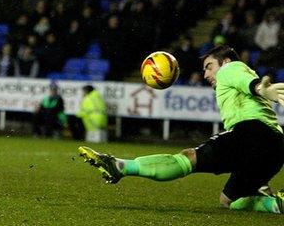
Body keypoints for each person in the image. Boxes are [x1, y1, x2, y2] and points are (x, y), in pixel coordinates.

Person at [79, 45, 284, 213]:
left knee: (190, 157)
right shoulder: (241, 73)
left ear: (225, 62)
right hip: (275, 148)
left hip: (252, 134)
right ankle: (273, 203)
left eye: (209, 66)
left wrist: (258, 87)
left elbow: (243, 79)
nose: (205, 74)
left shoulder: (231, 68)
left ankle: (120, 166)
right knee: (228, 200)